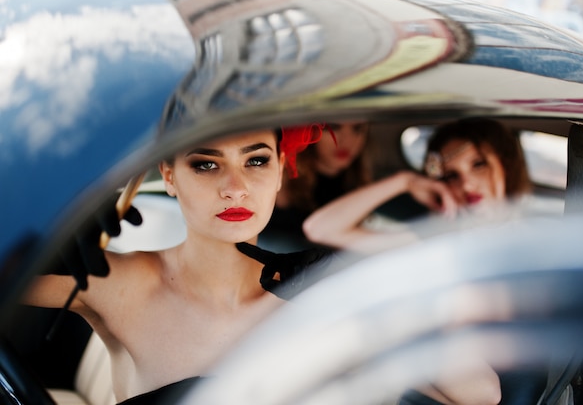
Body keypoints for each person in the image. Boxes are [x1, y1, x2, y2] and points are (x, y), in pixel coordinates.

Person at [23, 128, 330, 404]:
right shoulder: (119, 284)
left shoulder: (316, 302)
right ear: (169, 177)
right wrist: (45, 229)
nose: (236, 188)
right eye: (206, 164)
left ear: (279, 171)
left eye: (256, 161)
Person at [303, 117, 532, 254]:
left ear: (506, 167)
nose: (467, 183)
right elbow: (319, 229)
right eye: (452, 175)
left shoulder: (544, 236)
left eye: (478, 164)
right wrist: (405, 181)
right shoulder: (431, 241)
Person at [262, 120, 372, 249]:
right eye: (332, 128)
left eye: (357, 129)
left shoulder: (358, 182)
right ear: (310, 131)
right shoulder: (282, 179)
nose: (346, 141)